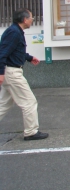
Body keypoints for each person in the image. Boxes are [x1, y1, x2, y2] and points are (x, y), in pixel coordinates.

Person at [0, 8, 48, 141]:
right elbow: (2, 53)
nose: (32, 20)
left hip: (10, 71)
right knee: (29, 102)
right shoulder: (14, 32)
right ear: (24, 19)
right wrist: (0, 73)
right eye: (31, 18)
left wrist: (28, 57)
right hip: (12, 73)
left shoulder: (16, 31)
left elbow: (14, 50)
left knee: (4, 104)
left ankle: (31, 131)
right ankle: (31, 132)